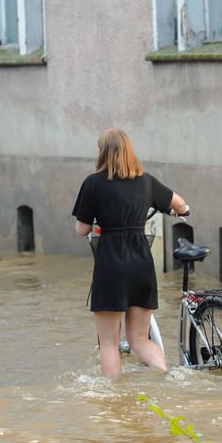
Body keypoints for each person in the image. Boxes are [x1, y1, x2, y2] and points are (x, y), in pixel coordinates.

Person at [72, 128, 189, 378]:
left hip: (111, 265)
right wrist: (184, 210)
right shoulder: (146, 181)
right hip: (141, 265)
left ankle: (115, 400)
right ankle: (165, 376)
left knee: (109, 343)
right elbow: (179, 204)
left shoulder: (93, 183)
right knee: (138, 338)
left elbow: (82, 229)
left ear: (102, 152)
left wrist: (92, 222)